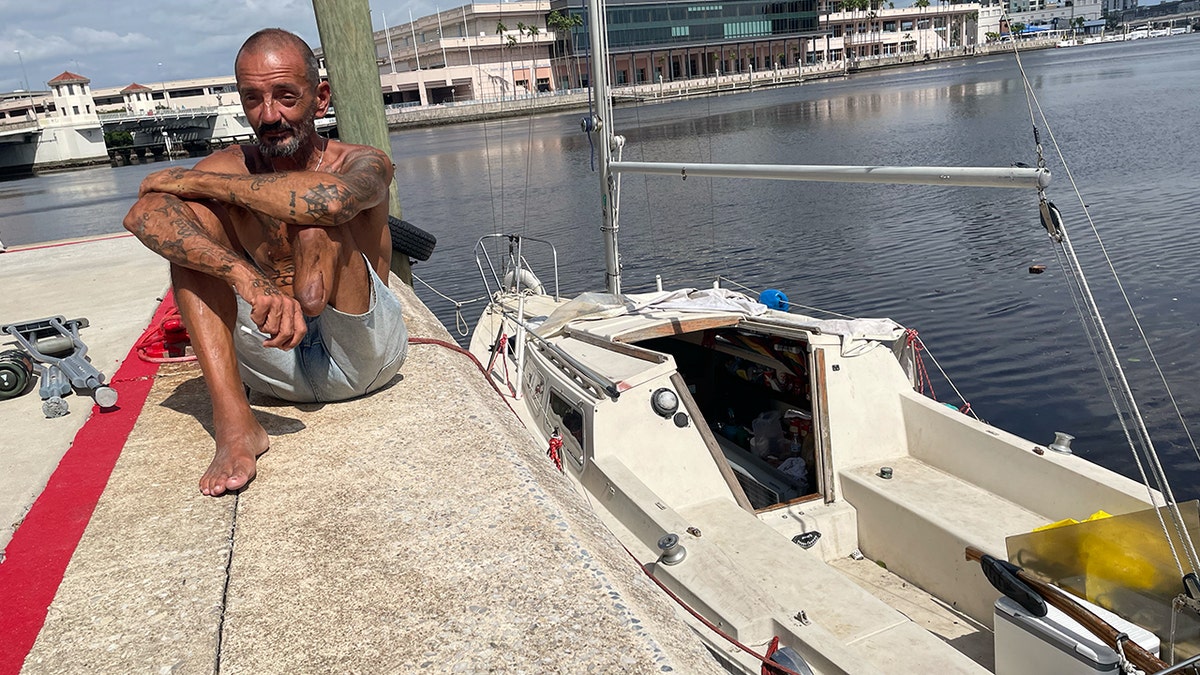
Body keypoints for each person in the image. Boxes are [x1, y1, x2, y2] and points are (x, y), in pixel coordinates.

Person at [124, 28, 407, 497]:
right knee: (188, 238)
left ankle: (305, 300)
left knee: (315, 227)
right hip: (275, 363)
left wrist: (207, 185)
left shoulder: (364, 161)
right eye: (253, 98)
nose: (269, 115)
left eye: (286, 97)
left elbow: (330, 203)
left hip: (364, 355)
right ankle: (237, 426)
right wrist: (247, 278)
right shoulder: (229, 162)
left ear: (320, 98)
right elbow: (145, 214)